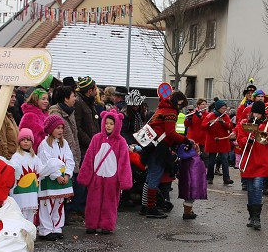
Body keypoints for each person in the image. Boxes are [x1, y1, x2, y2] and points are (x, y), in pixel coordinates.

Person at [77, 109, 132, 234]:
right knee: (93, 201)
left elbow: (124, 162)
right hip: (96, 177)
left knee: (110, 202)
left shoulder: (121, 141)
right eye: (106, 123)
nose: (108, 126)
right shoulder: (97, 138)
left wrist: (124, 180)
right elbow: (89, 158)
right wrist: (85, 176)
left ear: (117, 125)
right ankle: (91, 223)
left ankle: (107, 224)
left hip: (112, 179)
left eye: (111, 124)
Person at [141, 89, 187, 219]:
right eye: (180, 105)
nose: (180, 108)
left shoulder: (160, 110)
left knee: (149, 177)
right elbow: (171, 132)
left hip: (151, 146)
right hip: (159, 148)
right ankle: (151, 208)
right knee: (155, 177)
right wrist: (185, 140)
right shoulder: (170, 112)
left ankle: (145, 206)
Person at [237, 100, 268, 230]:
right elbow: (240, 140)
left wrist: (262, 130)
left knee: (257, 187)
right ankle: (252, 216)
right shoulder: (244, 123)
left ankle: (257, 218)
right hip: (248, 161)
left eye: (259, 114)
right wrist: (248, 139)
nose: (257, 116)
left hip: (261, 161)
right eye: (255, 113)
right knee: (250, 190)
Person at [36, 115, 74, 240]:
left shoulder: (64, 143)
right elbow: (45, 162)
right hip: (49, 180)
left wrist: (68, 174)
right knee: (47, 204)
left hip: (63, 179)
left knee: (59, 203)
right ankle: (45, 229)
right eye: (57, 128)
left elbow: (69, 159)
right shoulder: (44, 145)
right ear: (51, 129)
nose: (60, 130)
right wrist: (56, 175)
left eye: (62, 128)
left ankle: (57, 227)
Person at [8, 129, 43, 224]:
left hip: (32, 193)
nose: (26, 141)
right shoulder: (16, 157)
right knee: (21, 215)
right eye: (23, 139)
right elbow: (13, 171)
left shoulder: (35, 158)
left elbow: (41, 170)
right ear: (19, 142)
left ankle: (29, 235)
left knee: (31, 215)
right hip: (20, 194)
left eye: (28, 139)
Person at [204, 100, 234, 185]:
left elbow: (230, 127)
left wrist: (223, 123)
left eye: (225, 108)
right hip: (212, 141)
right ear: (218, 108)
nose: (224, 110)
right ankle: (209, 177)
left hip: (223, 141)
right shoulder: (210, 115)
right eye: (222, 108)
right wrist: (209, 123)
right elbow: (203, 126)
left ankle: (226, 178)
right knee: (211, 161)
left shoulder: (226, 116)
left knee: (225, 160)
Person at [73, 77, 100, 154]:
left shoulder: (91, 102)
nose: (96, 91)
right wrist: (90, 142)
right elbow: (77, 127)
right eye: (95, 89)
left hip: (93, 146)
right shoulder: (78, 103)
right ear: (89, 91)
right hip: (84, 149)